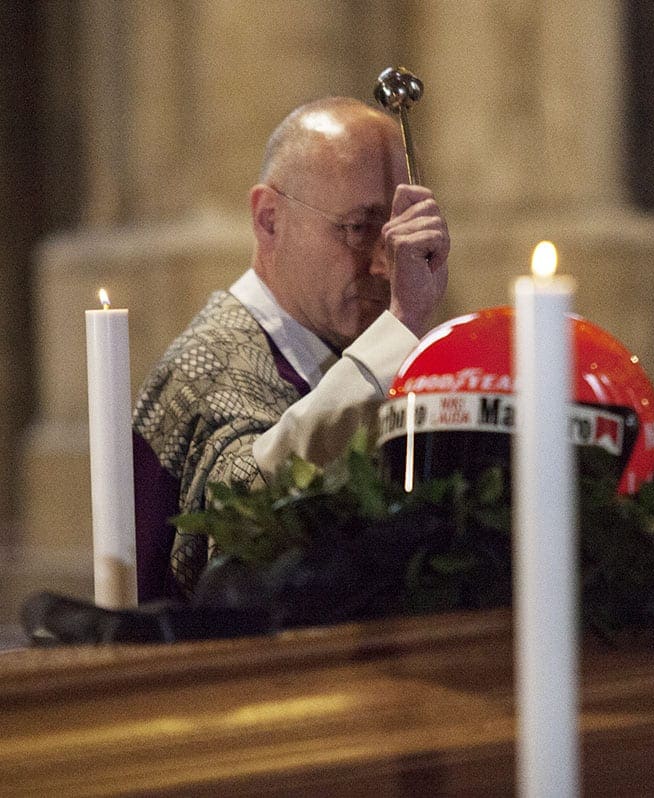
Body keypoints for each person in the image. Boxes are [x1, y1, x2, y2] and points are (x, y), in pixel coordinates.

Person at [133, 97, 450, 602]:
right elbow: (253, 520)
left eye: (397, 238)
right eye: (359, 229)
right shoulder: (211, 365)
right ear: (269, 219)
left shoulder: (334, 342)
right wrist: (404, 323)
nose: (385, 266)